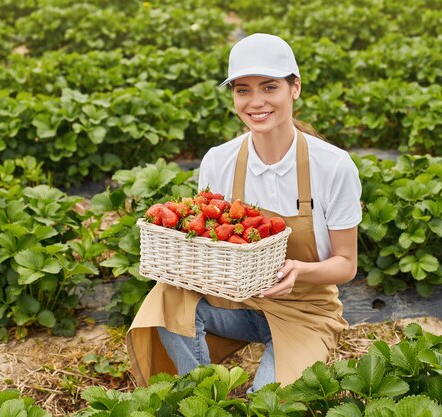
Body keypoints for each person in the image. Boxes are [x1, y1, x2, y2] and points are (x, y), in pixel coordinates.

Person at [126, 33, 362, 392]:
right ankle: (202, 395)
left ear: (294, 88)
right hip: (235, 302)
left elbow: (346, 264)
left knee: (269, 402)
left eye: (269, 88)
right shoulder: (218, 161)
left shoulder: (332, 166)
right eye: (242, 90)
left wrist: (300, 271)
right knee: (166, 295)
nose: (256, 103)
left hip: (305, 312)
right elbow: (208, 245)